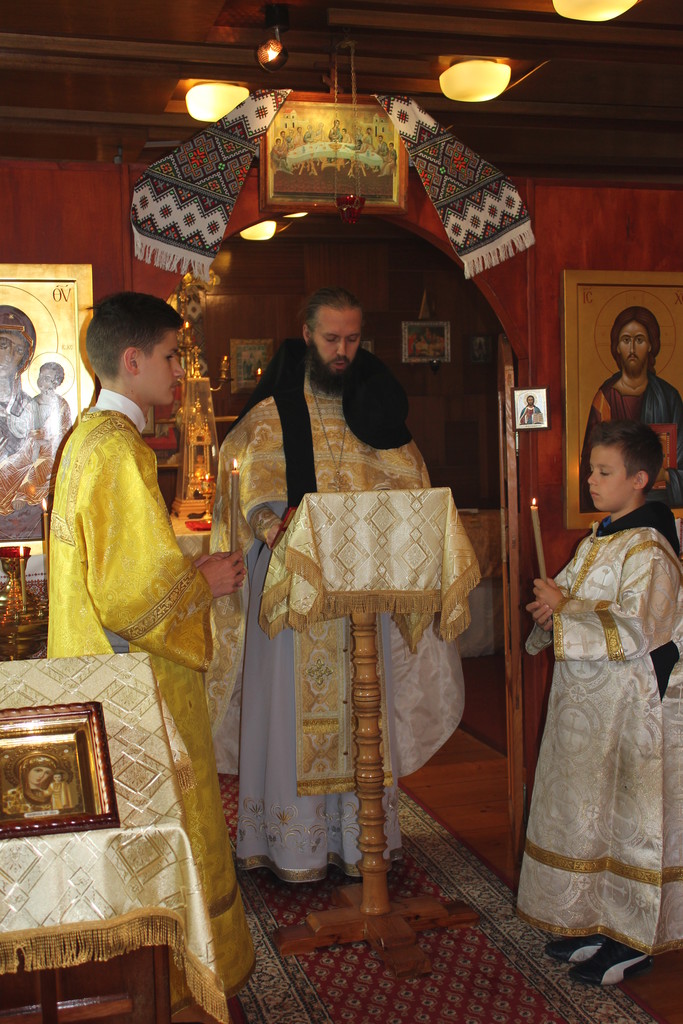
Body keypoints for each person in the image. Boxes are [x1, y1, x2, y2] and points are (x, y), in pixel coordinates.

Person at [207, 286, 479, 881]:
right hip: (295, 595)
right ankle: (293, 846)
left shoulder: (376, 408)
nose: (342, 351)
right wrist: (269, 522)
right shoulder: (273, 412)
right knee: (289, 718)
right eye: (331, 338)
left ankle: (362, 843)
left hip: (360, 595)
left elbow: (410, 484)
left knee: (364, 712)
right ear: (307, 335)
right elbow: (248, 482)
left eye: (353, 339)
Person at [47, 292, 254, 1001]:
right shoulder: (117, 450)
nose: (180, 371)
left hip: (102, 671)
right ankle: (180, 984)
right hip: (138, 685)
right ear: (132, 360)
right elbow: (129, 596)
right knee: (171, 825)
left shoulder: (90, 438)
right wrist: (202, 582)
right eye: (171, 356)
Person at [517, 420, 683, 986]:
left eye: (603, 472)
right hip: (589, 706)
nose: (590, 480)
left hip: (633, 710)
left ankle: (633, 937)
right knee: (590, 812)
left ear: (639, 479)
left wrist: (566, 608)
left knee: (628, 818)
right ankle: (591, 919)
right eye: (590, 469)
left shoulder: (650, 548)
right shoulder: (598, 539)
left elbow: (639, 631)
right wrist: (550, 612)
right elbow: (569, 602)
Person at [579, 305, 683, 510]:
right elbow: (589, 466)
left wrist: (665, 475)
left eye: (640, 340)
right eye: (626, 340)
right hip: (617, 506)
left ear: (651, 345)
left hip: (660, 507)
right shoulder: (605, 398)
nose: (632, 349)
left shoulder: (669, 397)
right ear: (617, 346)